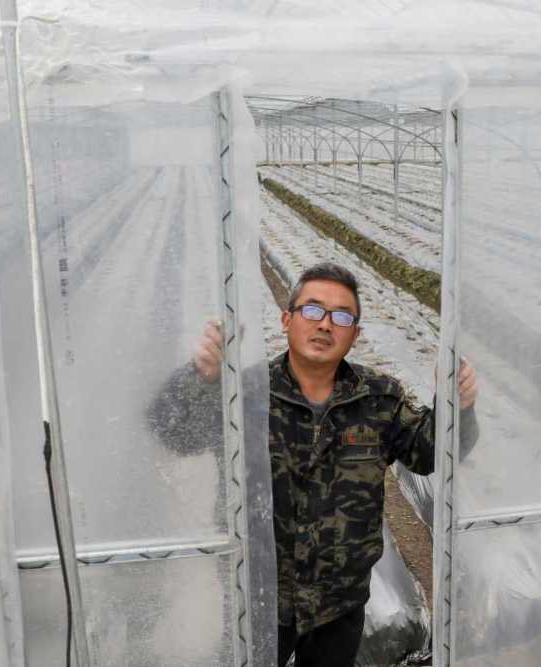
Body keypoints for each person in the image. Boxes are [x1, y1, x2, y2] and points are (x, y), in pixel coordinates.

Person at [150, 262, 479, 667]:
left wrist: (457, 407)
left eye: (342, 316)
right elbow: (172, 433)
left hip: (339, 604)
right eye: (312, 310)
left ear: (355, 335)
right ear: (287, 319)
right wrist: (200, 377)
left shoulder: (378, 398)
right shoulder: (244, 395)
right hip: (260, 598)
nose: (325, 324)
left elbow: (428, 454)